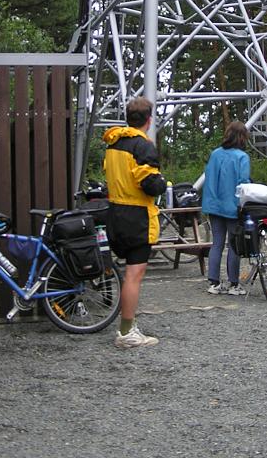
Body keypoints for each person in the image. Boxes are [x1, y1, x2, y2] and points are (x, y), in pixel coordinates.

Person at [103, 96, 166, 348]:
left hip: (115, 211)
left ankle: (127, 327)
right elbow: (149, 184)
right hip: (136, 215)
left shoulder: (113, 144)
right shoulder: (143, 146)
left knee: (128, 272)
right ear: (148, 120)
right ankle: (127, 331)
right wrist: (161, 182)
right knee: (134, 274)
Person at [202, 120, 250, 296]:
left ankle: (213, 282)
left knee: (217, 244)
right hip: (233, 207)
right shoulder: (242, 157)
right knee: (234, 245)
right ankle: (233, 284)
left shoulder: (215, 154)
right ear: (242, 137)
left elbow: (209, 179)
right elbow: (243, 184)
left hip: (214, 206)